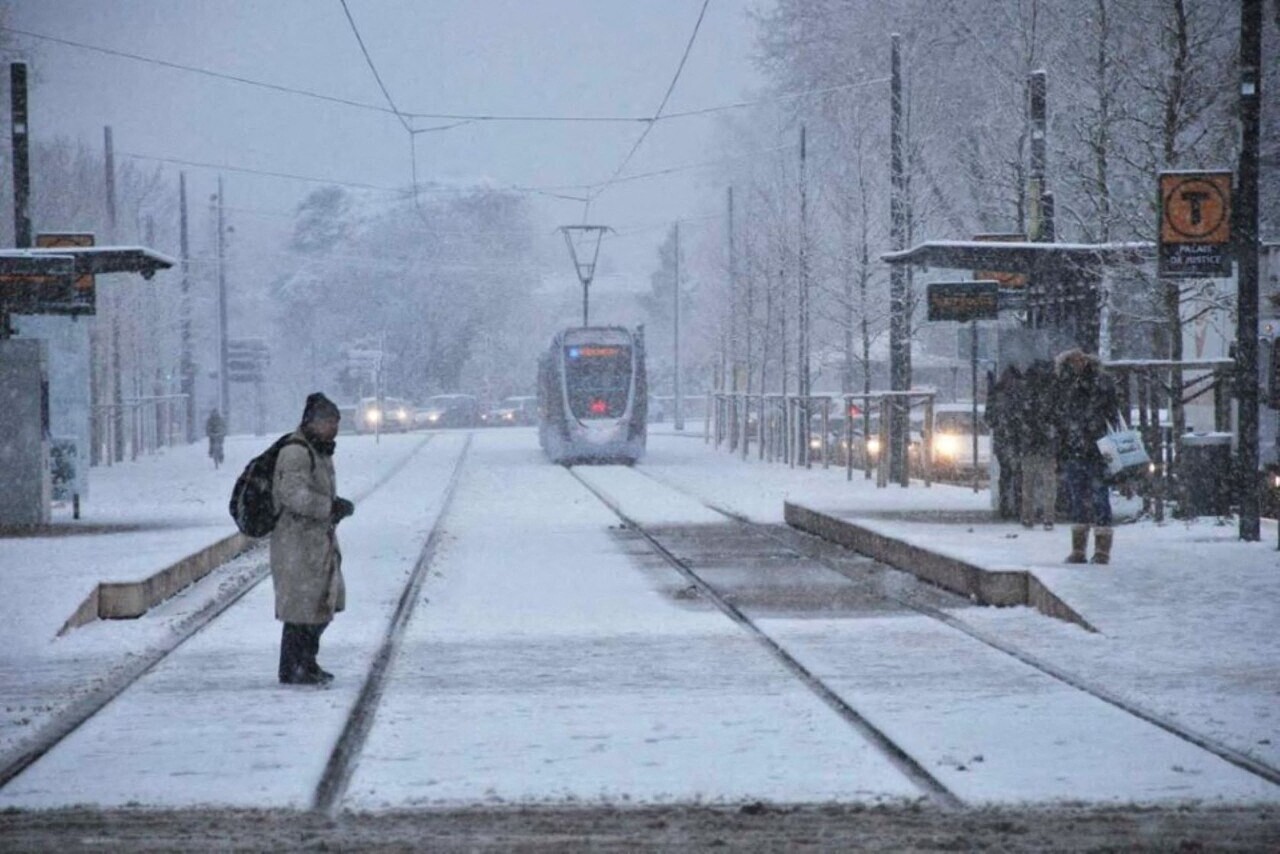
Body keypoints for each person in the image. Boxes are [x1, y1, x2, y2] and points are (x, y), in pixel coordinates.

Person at [271, 392, 355, 685]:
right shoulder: (297, 452)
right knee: (302, 608)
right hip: (297, 542)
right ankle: (295, 667)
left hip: (315, 540)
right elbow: (292, 495)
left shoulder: (317, 449)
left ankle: (306, 662)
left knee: (318, 605)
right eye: (332, 422)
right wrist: (328, 507)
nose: (336, 429)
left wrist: (332, 507)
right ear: (315, 422)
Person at [1054, 349, 1120, 564]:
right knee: (1078, 499)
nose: (1078, 363)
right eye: (1073, 360)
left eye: (1080, 359)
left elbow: (1110, 411)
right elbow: (1059, 415)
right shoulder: (1065, 384)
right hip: (1078, 449)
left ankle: (1101, 551)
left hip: (1096, 449)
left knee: (1099, 497)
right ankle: (1080, 550)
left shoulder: (1098, 382)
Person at [1017, 359, 1059, 529]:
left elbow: (1021, 418)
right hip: (1046, 446)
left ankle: (1027, 516)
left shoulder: (1026, 394)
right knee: (1049, 484)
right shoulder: (1052, 393)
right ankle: (1048, 517)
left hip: (1030, 446)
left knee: (1028, 484)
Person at [984, 365, 1024, 520]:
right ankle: (1013, 506)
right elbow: (990, 418)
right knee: (1013, 474)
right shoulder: (1019, 396)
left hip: (1007, 440)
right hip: (1013, 440)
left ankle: (1008, 506)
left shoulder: (997, 395)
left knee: (1009, 474)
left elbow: (989, 418)